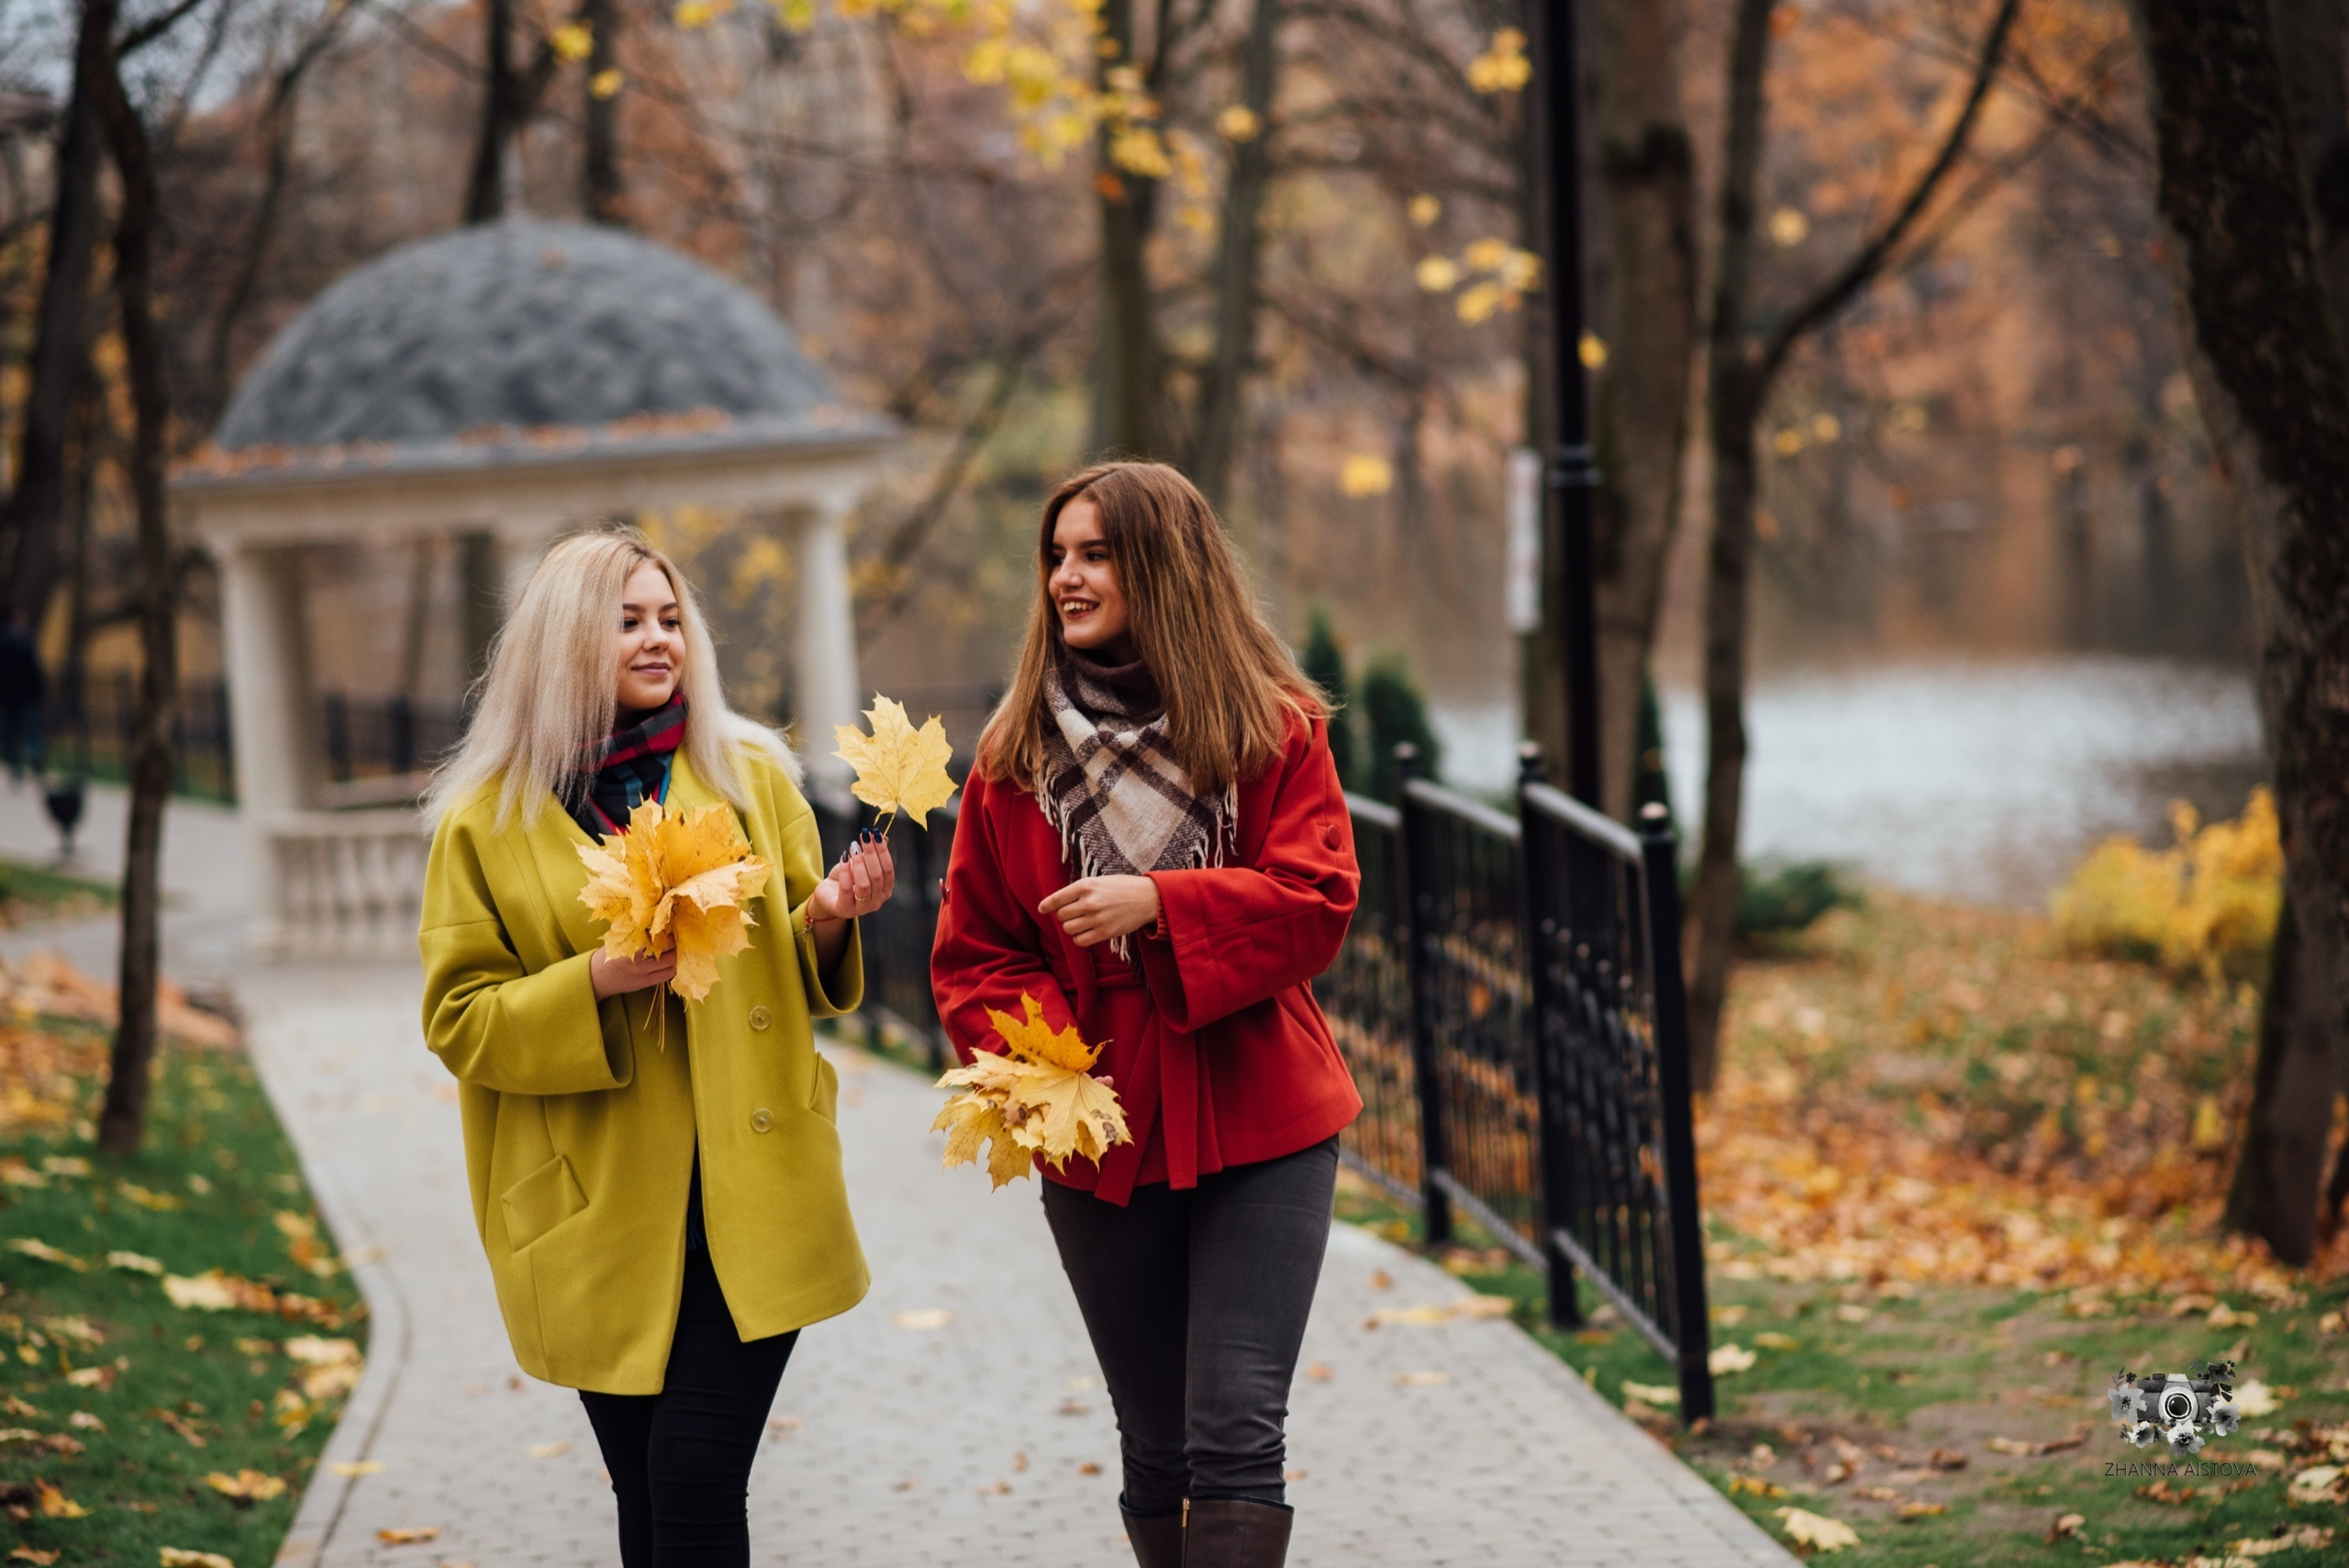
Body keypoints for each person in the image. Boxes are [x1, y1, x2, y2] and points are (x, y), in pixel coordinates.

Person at [418, 529, 894, 1567]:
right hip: (596, 1207)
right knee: (644, 1493)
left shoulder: (750, 776)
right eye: (627, 619)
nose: (657, 638)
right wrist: (592, 980)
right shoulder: (483, 822)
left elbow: (798, 974)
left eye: (669, 617)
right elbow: (458, 1017)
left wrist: (829, 914)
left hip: (751, 1182)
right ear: (562, 642)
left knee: (691, 1473)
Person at [930, 462, 1362, 1568]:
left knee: (1234, 1434)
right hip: (1099, 1122)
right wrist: (1045, 1074)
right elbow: (972, 951)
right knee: (1155, 1442)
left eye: (1095, 553)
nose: (1067, 576)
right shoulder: (1012, 757)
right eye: (1057, 555)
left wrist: (1164, 901)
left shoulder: (1273, 728)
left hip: (1261, 1111)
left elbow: (1318, 902)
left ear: (1162, 565)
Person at [0, 620, 45, 784]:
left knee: (9, 735)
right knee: (31, 731)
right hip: (26, 697)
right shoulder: (26, 645)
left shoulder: (3, 644)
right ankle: (35, 757)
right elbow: (34, 672)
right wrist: (39, 693)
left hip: (6, 697)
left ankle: (15, 767)